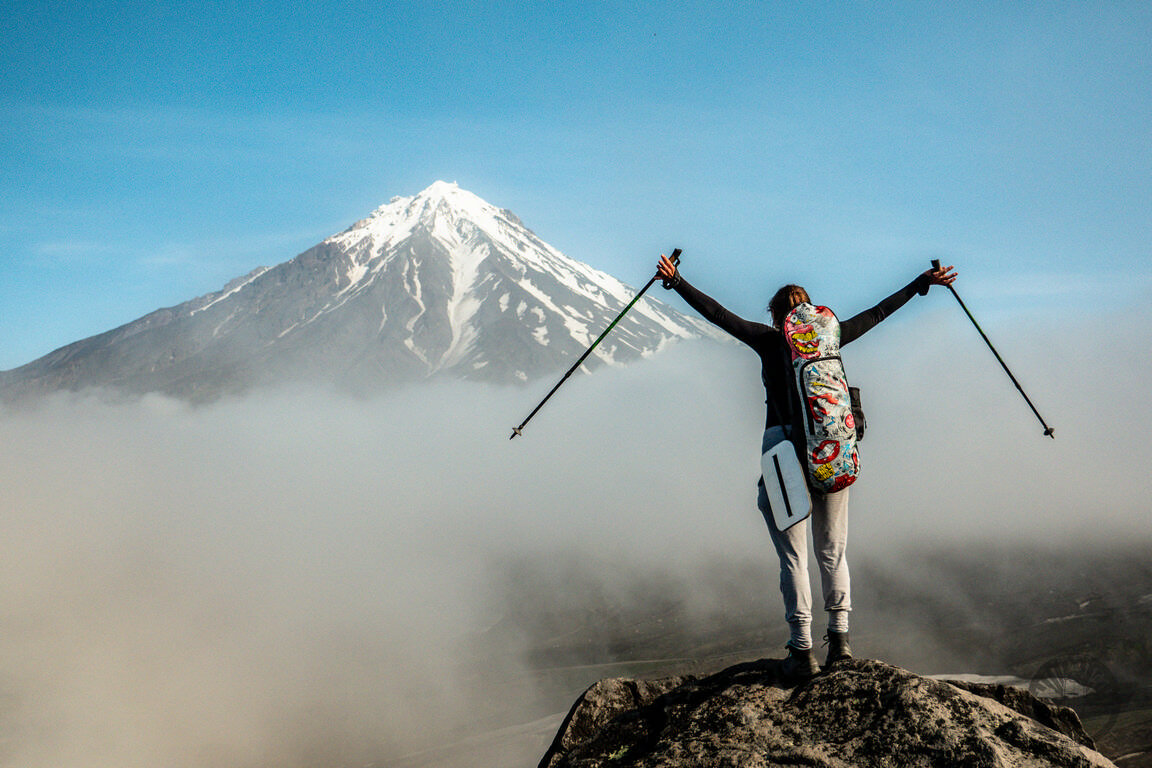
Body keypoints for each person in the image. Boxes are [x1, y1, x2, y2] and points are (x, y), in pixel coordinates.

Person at [656, 254, 957, 680]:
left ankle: (801, 651)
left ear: (779, 317)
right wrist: (919, 284)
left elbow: (719, 315)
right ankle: (841, 643)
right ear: (812, 314)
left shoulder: (769, 339)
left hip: (782, 455)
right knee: (833, 551)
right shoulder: (833, 340)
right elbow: (878, 313)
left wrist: (677, 282)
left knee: (794, 557)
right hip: (832, 453)